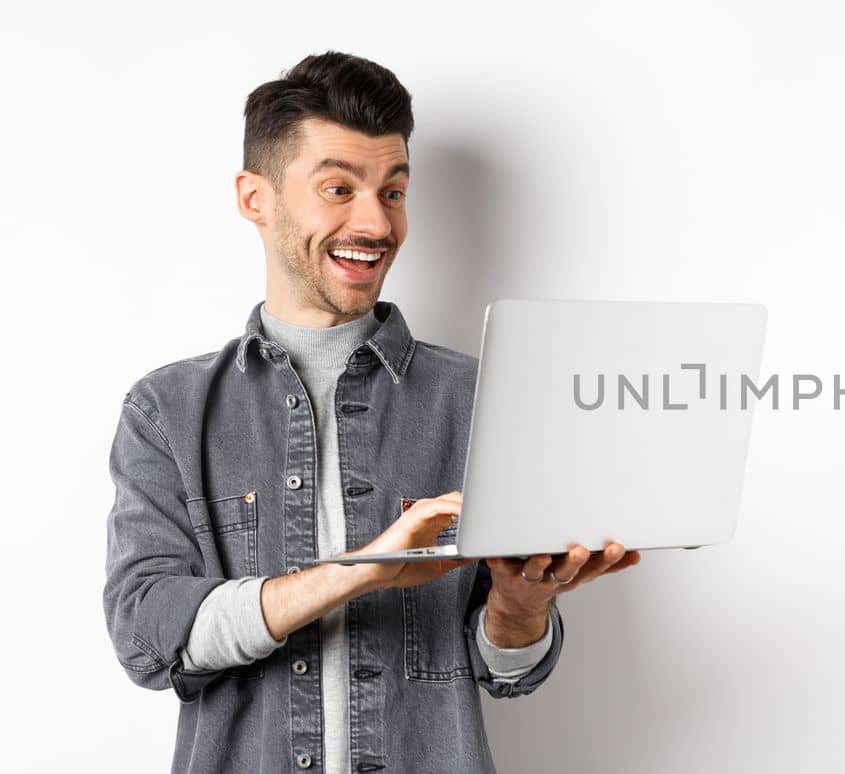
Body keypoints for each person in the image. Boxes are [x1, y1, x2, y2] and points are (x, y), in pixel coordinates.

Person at [101, 51, 641, 774]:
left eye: (393, 192)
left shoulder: (482, 399)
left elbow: (508, 670)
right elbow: (147, 635)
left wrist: (519, 604)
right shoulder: (167, 410)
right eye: (338, 188)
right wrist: (364, 569)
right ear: (255, 198)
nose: (374, 222)